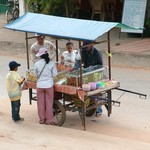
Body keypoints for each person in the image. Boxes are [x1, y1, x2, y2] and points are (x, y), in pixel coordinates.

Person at [34, 47, 57, 125]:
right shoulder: (51, 63)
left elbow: (35, 75)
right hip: (49, 85)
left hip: (40, 85)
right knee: (49, 103)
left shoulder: (37, 64)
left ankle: (42, 119)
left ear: (41, 56)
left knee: (40, 103)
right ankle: (49, 120)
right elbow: (55, 74)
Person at [81, 41, 103, 116]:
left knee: (97, 92)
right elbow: (82, 62)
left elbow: (101, 65)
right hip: (87, 75)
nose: (85, 49)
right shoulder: (83, 51)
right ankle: (89, 107)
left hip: (96, 75)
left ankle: (99, 110)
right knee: (88, 93)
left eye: (86, 47)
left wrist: (95, 72)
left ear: (91, 46)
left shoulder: (97, 53)